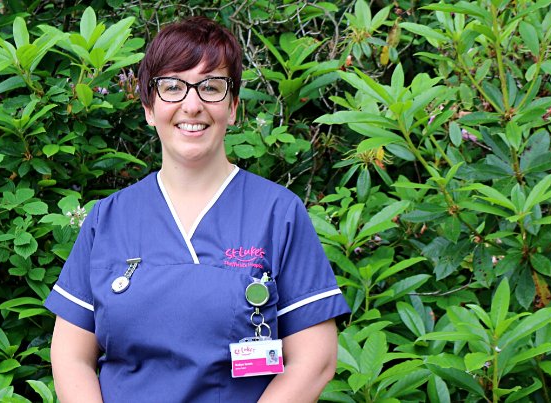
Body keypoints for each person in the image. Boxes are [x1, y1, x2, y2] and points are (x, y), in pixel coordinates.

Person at [45, 16, 350, 403]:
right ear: (148, 107)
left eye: (211, 87)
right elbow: (71, 356)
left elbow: (315, 360)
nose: (192, 105)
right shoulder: (107, 219)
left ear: (234, 106)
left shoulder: (279, 214)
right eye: (172, 87)